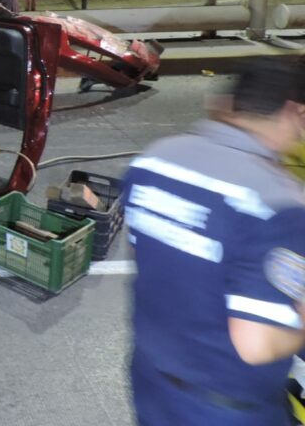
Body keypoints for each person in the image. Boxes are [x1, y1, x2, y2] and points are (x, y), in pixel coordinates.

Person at [123, 57, 305, 425]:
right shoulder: (276, 202)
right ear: (294, 112)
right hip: (225, 407)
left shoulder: (156, 159)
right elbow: (258, 344)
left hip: (151, 380)